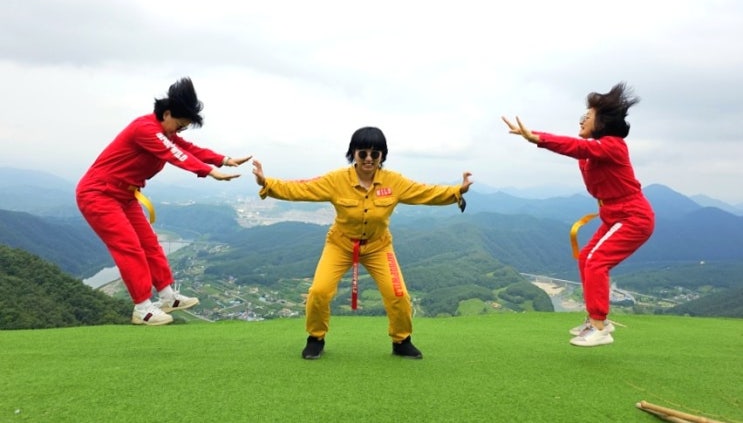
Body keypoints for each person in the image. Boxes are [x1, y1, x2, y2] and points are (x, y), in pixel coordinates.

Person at [251, 126, 473, 359]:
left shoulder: (394, 182)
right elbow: (301, 188)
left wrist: (457, 191)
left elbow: (425, 192)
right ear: (353, 154)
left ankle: (401, 340)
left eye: (375, 153)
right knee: (319, 291)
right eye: (363, 153)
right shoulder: (336, 180)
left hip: (379, 246)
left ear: (382, 156)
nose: (369, 158)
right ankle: (315, 338)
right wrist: (267, 183)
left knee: (398, 294)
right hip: (340, 244)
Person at [76, 77, 251, 326]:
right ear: (167, 113)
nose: (178, 132)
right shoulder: (145, 129)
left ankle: (168, 297)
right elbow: (175, 154)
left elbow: (188, 148)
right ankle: (142, 308)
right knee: (129, 247)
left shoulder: (165, 132)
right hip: (98, 194)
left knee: (150, 243)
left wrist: (223, 160)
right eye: (179, 125)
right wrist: (210, 171)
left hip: (125, 195)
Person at [502, 82, 654, 347]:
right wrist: (533, 135)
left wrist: (536, 138)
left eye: (588, 115)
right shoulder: (593, 151)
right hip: (613, 216)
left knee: (596, 262)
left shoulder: (613, 146)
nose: (582, 120)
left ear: (603, 122)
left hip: (633, 218)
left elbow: (575, 147)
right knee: (586, 258)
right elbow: (578, 148)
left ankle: (599, 327)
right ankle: (595, 320)